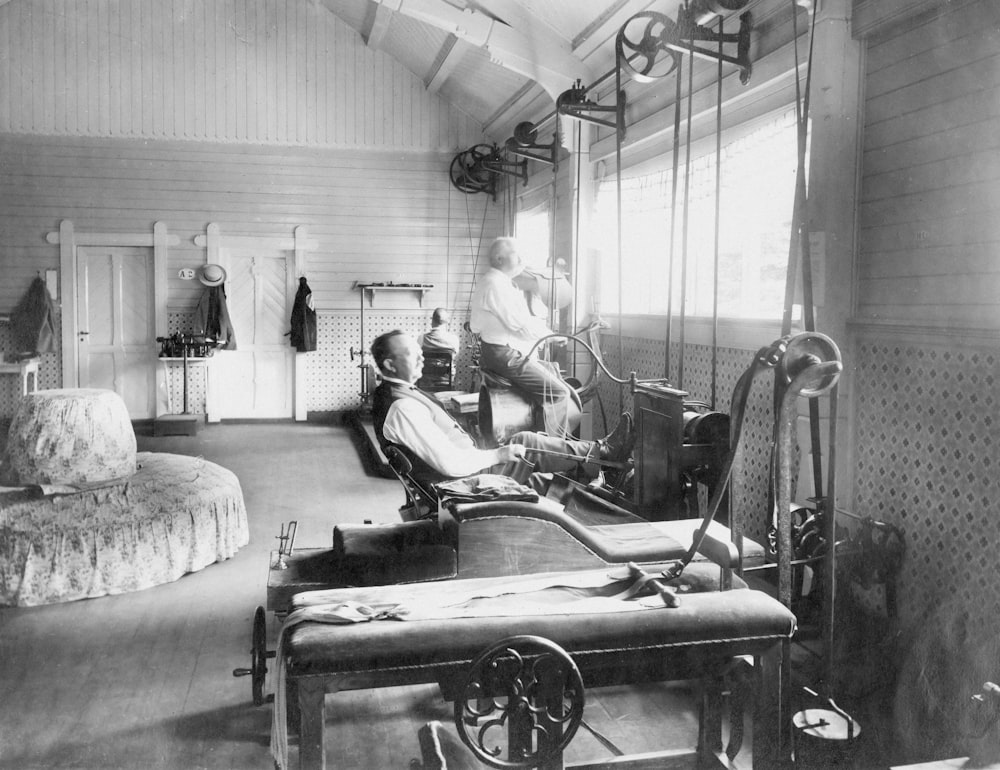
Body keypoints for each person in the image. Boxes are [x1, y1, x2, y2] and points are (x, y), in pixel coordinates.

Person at [370, 330, 633, 488]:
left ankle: (600, 464)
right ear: (390, 365)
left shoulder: (400, 394)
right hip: (462, 484)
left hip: (462, 472)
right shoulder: (402, 406)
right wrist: (498, 455)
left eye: (419, 350)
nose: (421, 356)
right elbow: (450, 464)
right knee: (527, 444)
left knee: (527, 443)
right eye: (411, 353)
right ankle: (605, 456)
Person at [470, 237, 580, 438]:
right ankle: (553, 450)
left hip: (500, 350)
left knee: (552, 375)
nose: (522, 258)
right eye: (516, 254)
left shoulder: (498, 282)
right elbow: (522, 326)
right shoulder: (496, 284)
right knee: (559, 393)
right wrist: (553, 336)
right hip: (504, 353)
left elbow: (478, 325)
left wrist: (549, 335)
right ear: (499, 258)